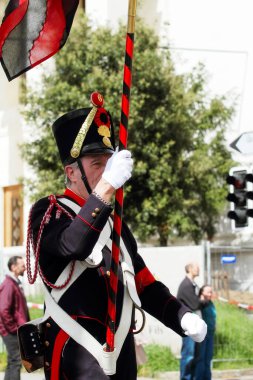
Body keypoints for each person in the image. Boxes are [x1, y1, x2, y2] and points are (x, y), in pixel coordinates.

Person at [26, 92, 207, 380]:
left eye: (109, 164)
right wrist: (107, 188)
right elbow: (73, 243)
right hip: (76, 359)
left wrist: (181, 316)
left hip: (120, 358)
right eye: (97, 164)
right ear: (71, 172)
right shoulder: (49, 211)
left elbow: (144, 284)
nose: (107, 171)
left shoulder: (114, 224)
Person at [0, 256, 30, 380]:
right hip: (10, 331)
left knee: (13, 361)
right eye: (22, 265)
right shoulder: (8, 284)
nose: (25, 267)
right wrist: (14, 329)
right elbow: (3, 309)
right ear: (13, 267)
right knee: (16, 361)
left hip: (13, 330)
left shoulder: (14, 283)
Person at [177, 262, 206, 380]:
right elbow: (195, 304)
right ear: (189, 269)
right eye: (196, 267)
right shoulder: (186, 285)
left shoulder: (193, 284)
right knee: (188, 355)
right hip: (189, 327)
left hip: (195, 326)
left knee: (195, 355)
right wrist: (204, 300)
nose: (198, 269)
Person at [195, 285, 216, 380]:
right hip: (203, 335)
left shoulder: (210, 303)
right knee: (201, 359)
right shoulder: (200, 303)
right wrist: (201, 299)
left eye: (211, 292)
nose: (210, 294)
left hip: (211, 334)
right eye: (208, 292)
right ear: (202, 292)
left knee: (208, 359)